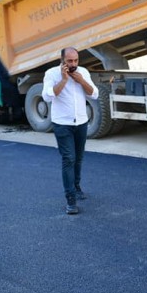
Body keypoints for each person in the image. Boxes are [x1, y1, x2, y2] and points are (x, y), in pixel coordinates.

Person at [42, 47, 99, 215]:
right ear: (62, 61)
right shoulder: (52, 74)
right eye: (69, 61)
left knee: (79, 158)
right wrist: (64, 80)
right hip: (62, 124)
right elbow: (47, 96)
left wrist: (81, 80)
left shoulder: (83, 72)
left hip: (81, 122)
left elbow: (94, 94)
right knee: (69, 159)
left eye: (76, 61)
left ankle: (76, 186)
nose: (73, 64)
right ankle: (70, 199)